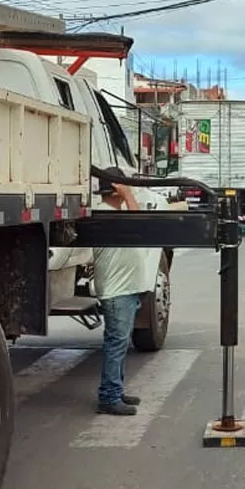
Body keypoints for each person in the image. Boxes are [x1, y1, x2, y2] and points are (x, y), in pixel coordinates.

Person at [92, 168, 154, 415]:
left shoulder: (112, 214)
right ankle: (108, 396)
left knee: (119, 343)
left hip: (124, 290)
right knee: (116, 344)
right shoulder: (106, 216)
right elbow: (139, 225)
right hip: (118, 292)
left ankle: (115, 390)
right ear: (116, 190)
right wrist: (128, 194)